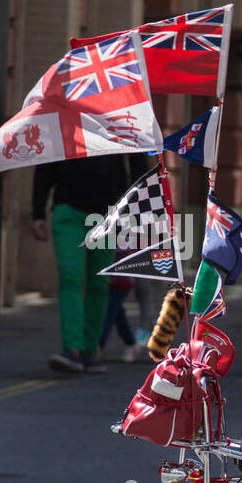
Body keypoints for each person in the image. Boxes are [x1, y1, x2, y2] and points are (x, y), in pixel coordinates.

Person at [32, 154, 144, 373]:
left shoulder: (119, 120)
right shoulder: (65, 121)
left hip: (107, 215)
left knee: (99, 284)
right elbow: (45, 163)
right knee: (70, 277)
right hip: (68, 210)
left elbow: (138, 158)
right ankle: (72, 349)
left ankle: (89, 352)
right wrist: (37, 213)